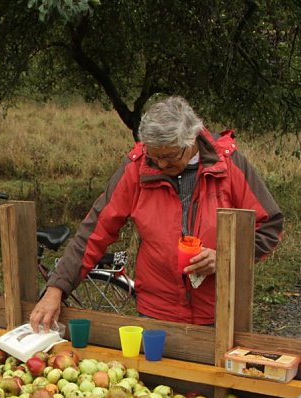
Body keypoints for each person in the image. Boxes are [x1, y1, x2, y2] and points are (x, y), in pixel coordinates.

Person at [29, 95, 283, 329]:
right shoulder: (137, 167)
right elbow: (95, 231)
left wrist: (226, 257)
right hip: (156, 312)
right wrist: (57, 287)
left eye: (170, 157)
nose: (161, 164)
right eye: (154, 156)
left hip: (220, 312)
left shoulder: (227, 164)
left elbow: (269, 226)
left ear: (191, 139)